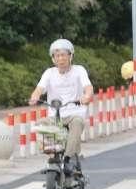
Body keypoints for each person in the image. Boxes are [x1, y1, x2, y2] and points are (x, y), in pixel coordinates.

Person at [28, 38, 93, 175]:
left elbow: (88, 87)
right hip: (55, 115)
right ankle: (53, 157)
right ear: (53, 59)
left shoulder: (79, 70)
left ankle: (68, 159)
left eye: (64, 55)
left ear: (71, 56)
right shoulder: (49, 73)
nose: (61, 58)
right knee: (40, 124)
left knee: (77, 123)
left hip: (74, 113)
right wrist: (35, 96)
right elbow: (40, 88)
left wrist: (87, 96)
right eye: (57, 55)